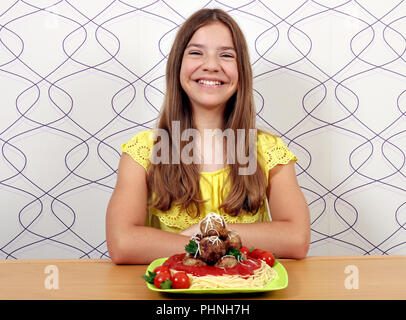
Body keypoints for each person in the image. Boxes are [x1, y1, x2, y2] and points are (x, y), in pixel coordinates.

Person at [106, 8, 310, 264]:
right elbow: (123, 244)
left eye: (226, 55)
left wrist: (206, 234)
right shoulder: (143, 151)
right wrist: (204, 241)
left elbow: (296, 238)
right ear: (177, 65)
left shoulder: (267, 150)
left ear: (241, 71)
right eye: (196, 52)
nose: (211, 65)